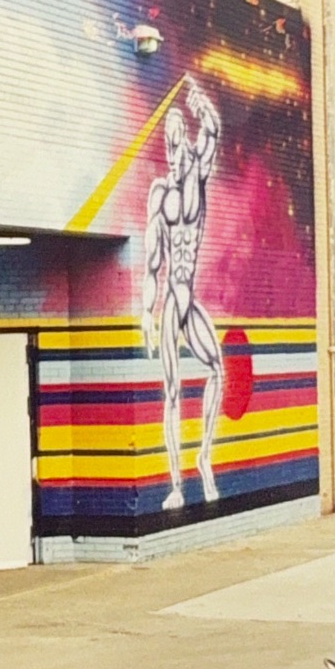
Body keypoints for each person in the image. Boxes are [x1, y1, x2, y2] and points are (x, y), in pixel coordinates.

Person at [141, 76, 224, 511]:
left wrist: (200, 104)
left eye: (176, 146)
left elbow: (214, 130)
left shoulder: (199, 173)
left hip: (191, 299)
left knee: (218, 370)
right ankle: (176, 483)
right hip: (174, 300)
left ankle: (204, 456)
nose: (171, 156)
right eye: (167, 148)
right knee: (171, 390)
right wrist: (145, 311)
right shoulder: (161, 194)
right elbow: (153, 260)